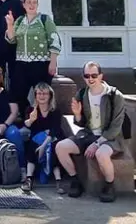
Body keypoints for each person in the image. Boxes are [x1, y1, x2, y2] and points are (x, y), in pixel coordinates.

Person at [55, 61, 126, 203]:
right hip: (88, 134)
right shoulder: (82, 94)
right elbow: (80, 123)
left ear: (101, 76)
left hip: (110, 137)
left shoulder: (114, 95)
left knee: (101, 154)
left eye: (94, 75)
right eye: (87, 76)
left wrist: (97, 143)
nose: (90, 79)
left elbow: (116, 126)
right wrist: (77, 114)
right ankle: (75, 180)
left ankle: (109, 185)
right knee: (60, 147)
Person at [4, 0, 61, 122]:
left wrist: (53, 62)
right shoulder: (20, 21)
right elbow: (12, 40)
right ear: (23, 5)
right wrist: (10, 25)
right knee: (17, 93)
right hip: (22, 64)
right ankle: (28, 118)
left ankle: (44, 122)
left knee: (42, 94)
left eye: (34, 2)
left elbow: (54, 40)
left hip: (40, 64)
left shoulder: (44, 20)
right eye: (28, 2)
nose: (31, 5)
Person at [20, 82, 64, 193]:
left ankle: (59, 182)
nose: (42, 96)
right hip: (37, 138)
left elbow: (54, 130)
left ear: (50, 96)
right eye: (39, 93)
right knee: (33, 144)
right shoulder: (31, 110)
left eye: (44, 93)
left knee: (53, 147)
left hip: (52, 138)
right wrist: (31, 120)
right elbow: (27, 125)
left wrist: (44, 146)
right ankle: (29, 179)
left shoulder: (55, 111)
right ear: (35, 96)